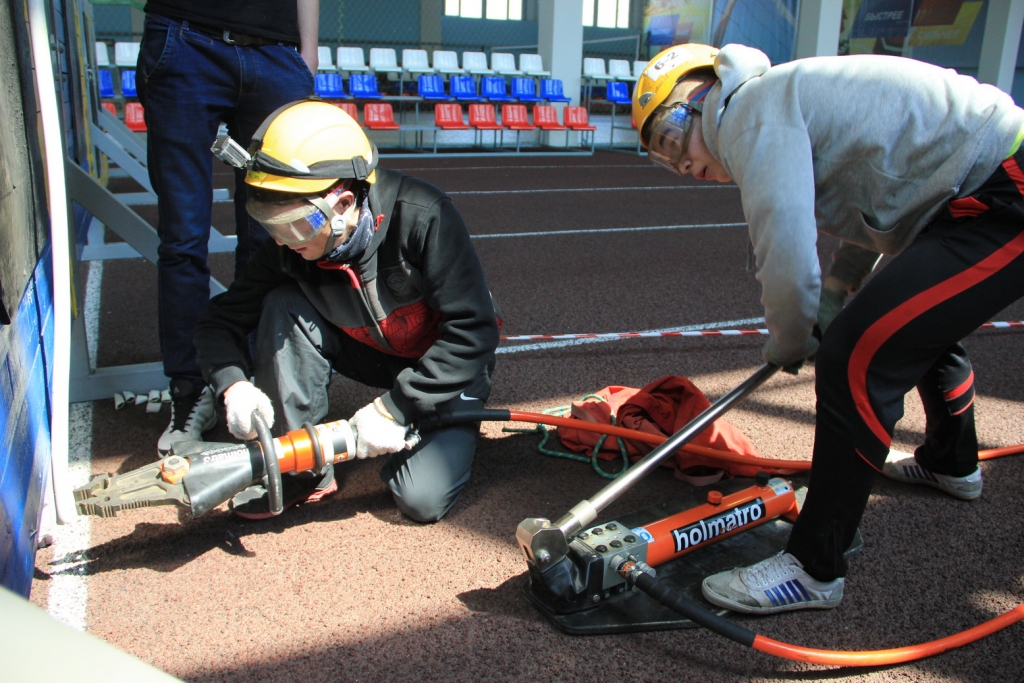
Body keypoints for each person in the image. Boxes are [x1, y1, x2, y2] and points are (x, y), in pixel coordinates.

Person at [632, 43, 1024, 613]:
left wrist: (793, 339)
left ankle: (813, 569)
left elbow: (786, 251)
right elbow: (873, 211)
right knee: (909, 322)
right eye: (662, 157)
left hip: (1003, 193)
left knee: (855, 358)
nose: (681, 164)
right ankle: (951, 463)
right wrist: (836, 297)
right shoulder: (783, 99)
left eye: (669, 136)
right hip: (969, 196)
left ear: (701, 95)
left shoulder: (747, 109)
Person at [193, 100, 501, 522]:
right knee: (282, 303)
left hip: (445, 369)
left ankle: (424, 425)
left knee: (420, 500)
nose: (283, 241)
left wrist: (395, 408)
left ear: (342, 202)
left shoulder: (424, 216)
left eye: (296, 224)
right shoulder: (288, 250)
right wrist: (232, 386)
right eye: (270, 223)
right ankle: (303, 471)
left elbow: (474, 334)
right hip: (371, 355)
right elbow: (220, 321)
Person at [137, 0, 320, 455]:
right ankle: (191, 387)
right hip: (184, 40)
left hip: (277, 54)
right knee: (183, 238)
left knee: (272, 236)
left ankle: (256, 375)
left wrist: (307, 54)